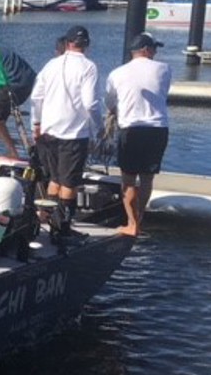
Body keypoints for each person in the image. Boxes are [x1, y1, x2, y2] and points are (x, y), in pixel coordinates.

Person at [30, 24, 102, 235]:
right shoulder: (88, 67)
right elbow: (91, 103)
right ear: (86, 44)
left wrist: (36, 124)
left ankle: (48, 220)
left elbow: (36, 97)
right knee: (69, 181)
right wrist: (98, 127)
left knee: (54, 179)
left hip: (48, 131)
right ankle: (62, 228)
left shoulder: (51, 65)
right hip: (74, 133)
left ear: (67, 43)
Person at [105, 32, 171, 237]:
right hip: (158, 129)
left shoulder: (116, 73)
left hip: (131, 128)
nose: (156, 52)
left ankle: (131, 223)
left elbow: (110, 103)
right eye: (154, 48)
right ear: (146, 50)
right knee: (147, 178)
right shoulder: (165, 69)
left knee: (128, 179)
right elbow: (163, 91)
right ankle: (140, 219)